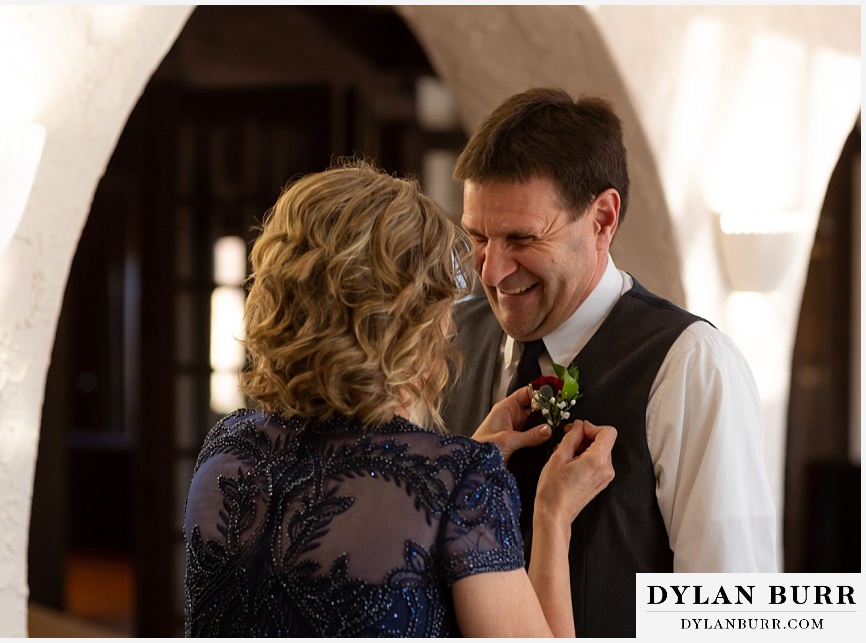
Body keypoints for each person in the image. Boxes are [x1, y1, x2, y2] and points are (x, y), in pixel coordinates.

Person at [182, 159, 618, 637]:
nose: (451, 321)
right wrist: (551, 517)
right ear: (412, 320)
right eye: (442, 299)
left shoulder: (228, 452)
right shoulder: (460, 482)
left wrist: (455, 483)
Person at [441, 87, 779, 638]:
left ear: (602, 218)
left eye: (522, 238)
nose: (493, 271)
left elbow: (730, 619)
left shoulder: (691, 366)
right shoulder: (445, 339)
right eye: (478, 236)